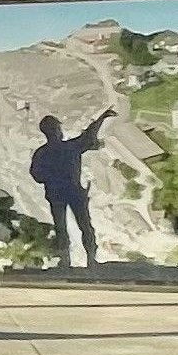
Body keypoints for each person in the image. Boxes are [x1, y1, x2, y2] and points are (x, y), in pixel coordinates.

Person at [32, 111, 115, 268]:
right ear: (56, 130)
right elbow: (89, 136)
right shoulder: (70, 147)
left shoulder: (41, 153)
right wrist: (101, 118)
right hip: (74, 193)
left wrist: (52, 178)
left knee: (61, 227)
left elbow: (37, 175)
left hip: (56, 194)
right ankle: (91, 259)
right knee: (85, 226)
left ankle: (65, 261)